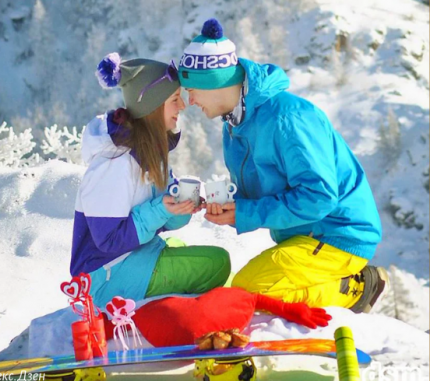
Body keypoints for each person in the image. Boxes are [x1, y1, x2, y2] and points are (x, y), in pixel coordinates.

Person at [178, 19, 388, 313]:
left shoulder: (287, 119)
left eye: (192, 90)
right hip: (303, 236)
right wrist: (226, 205)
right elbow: (264, 187)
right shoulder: (236, 123)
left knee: (249, 291)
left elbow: (320, 196)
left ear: (214, 82)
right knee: (243, 290)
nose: (189, 101)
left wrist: (246, 212)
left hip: (336, 234)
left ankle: (355, 289)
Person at [70, 53, 231, 308]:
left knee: (179, 245)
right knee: (218, 262)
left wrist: (183, 206)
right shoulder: (115, 164)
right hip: (101, 277)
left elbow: (163, 225)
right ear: (152, 106)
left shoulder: (150, 154)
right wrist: (161, 208)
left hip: (132, 256)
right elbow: (108, 240)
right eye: (175, 99)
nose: (183, 106)